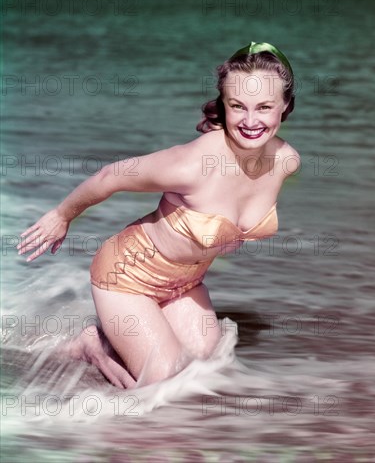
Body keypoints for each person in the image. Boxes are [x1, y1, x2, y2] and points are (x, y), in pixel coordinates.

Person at [16, 42, 300, 389]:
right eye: (238, 106)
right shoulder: (193, 163)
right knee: (162, 384)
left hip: (185, 283)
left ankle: (111, 342)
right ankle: (94, 348)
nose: (251, 121)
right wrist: (62, 215)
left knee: (205, 370)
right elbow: (112, 175)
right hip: (126, 277)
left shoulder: (286, 161)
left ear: (285, 105)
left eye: (264, 107)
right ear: (224, 106)